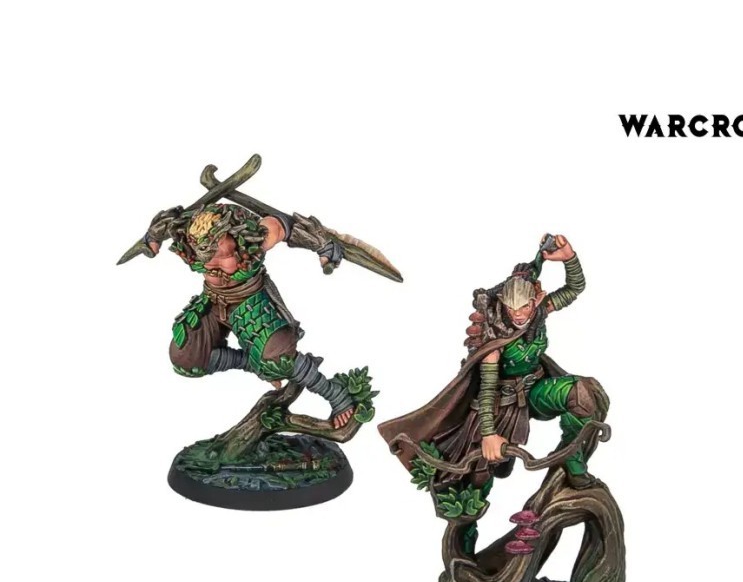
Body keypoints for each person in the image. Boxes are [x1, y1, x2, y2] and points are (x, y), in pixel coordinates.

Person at [379, 234, 608, 490]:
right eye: (512, 308)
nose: (518, 315)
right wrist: (488, 434)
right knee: (479, 475)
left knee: (582, 394)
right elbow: (487, 390)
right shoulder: (495, 340)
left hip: (536, 391)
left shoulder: (540, 312)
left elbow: (575, 287)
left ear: (537, 299)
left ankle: (572, 463)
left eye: (525, 307)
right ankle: (467, 508)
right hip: (503, 406)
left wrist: (569, 258)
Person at [142, 202, 355, 429]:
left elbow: (286, 226)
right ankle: (252, 363)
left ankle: (335, 394)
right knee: (186, 360)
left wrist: (324, 247)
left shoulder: (254, 236)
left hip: (251, 302)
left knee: (277, 362)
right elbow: (165, 224)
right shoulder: (189, 235)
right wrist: (152, 238)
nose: (207, 257)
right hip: (211, 302)